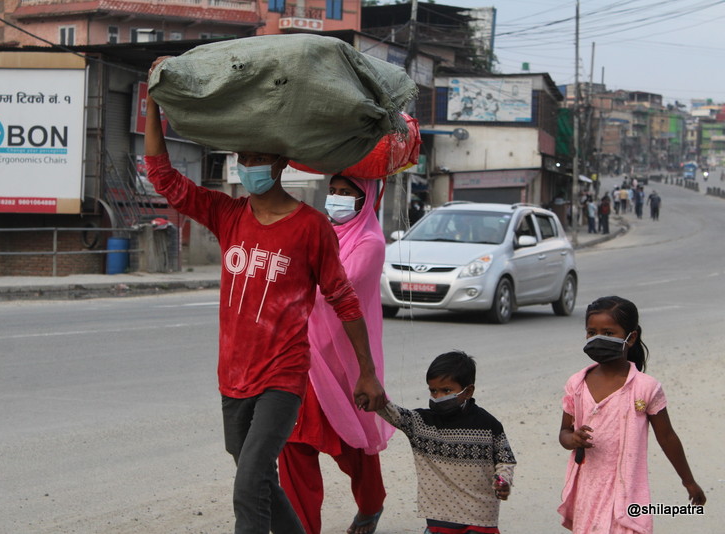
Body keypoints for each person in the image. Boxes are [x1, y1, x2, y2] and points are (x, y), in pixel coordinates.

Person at [144, 57, 385, 534]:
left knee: (248, 481)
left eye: (257, 158)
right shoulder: (228, 215)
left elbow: (343, 299)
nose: (248, 166)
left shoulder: (311, 226)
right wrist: (153, 101)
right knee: (253, 476)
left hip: (284, 375)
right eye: (243, 159)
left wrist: (367, 372)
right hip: (232, 373)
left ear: (279, 164)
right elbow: (163, 176)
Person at [279, 175, 392, 534]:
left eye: (347, 193)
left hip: (342, 362)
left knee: (351, 443)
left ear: (366, 200)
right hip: (301, 358)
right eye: (333, 191)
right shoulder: (318, 231)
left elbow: (338, 289)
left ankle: (372, 503)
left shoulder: (370, 243)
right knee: (293, 443)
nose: (337, 199)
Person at [558, 296, 706, 533]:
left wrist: (688, 481)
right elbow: (564, 432)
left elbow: (667, 437)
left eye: (609, 332)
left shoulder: (646, 388)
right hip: (589, 491)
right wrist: (572, 439)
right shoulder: (576, 384)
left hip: (628, 492)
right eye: (591, 332)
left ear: (631, 337)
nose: (598, 338)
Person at [377, 350, 517, 534]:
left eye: (446, 390)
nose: (438, 396)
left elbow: (505, 459)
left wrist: (503, 481)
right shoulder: (420, 423)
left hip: (480, 518)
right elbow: (389, 411)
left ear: (468, 391)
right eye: (433, 390)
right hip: (439, 518)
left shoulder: (489, 425)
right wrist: (372, 392)